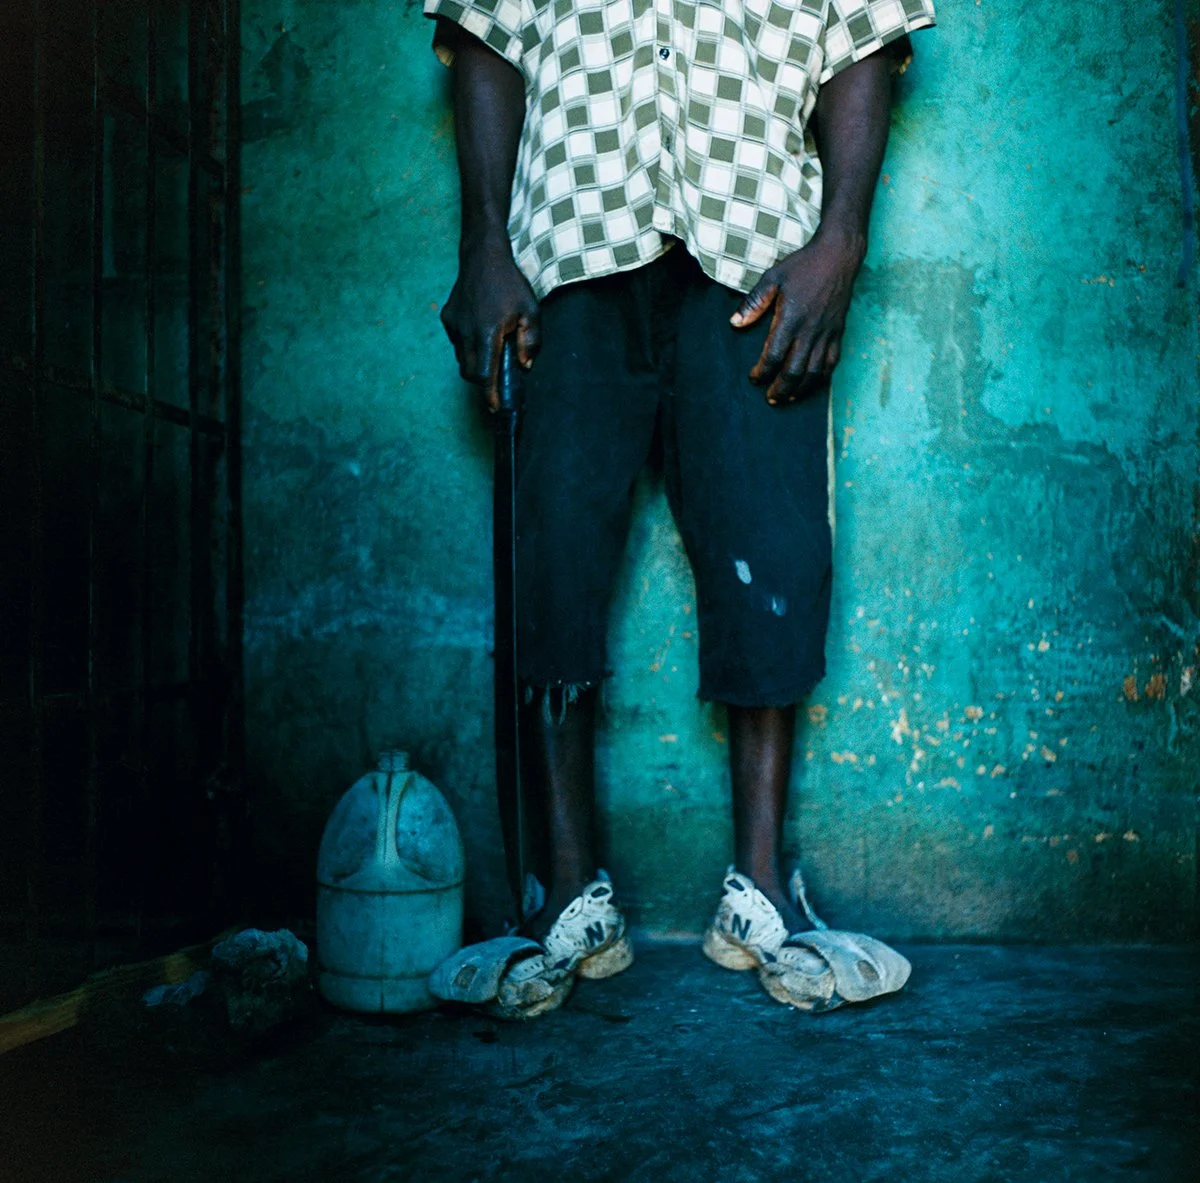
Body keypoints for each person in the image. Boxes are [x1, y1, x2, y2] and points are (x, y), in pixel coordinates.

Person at [424, 0, 936, 1017]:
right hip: (566, 247)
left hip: (755, 252)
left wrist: (840, 243)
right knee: (555, 552)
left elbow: (864, 41)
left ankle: (758, 890)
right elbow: (485, 33)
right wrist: (484, 244)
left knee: (772, 547)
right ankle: (566, 890)